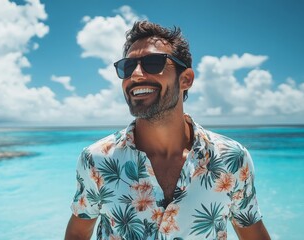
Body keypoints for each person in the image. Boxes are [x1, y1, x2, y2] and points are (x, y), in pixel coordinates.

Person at [65, 20, 270, 240]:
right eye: (127, 67)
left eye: (153, 63)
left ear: (186, 79)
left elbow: (252, 232)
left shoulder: (232, 158)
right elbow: (78, 232)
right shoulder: (96, 160)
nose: (136, 75)